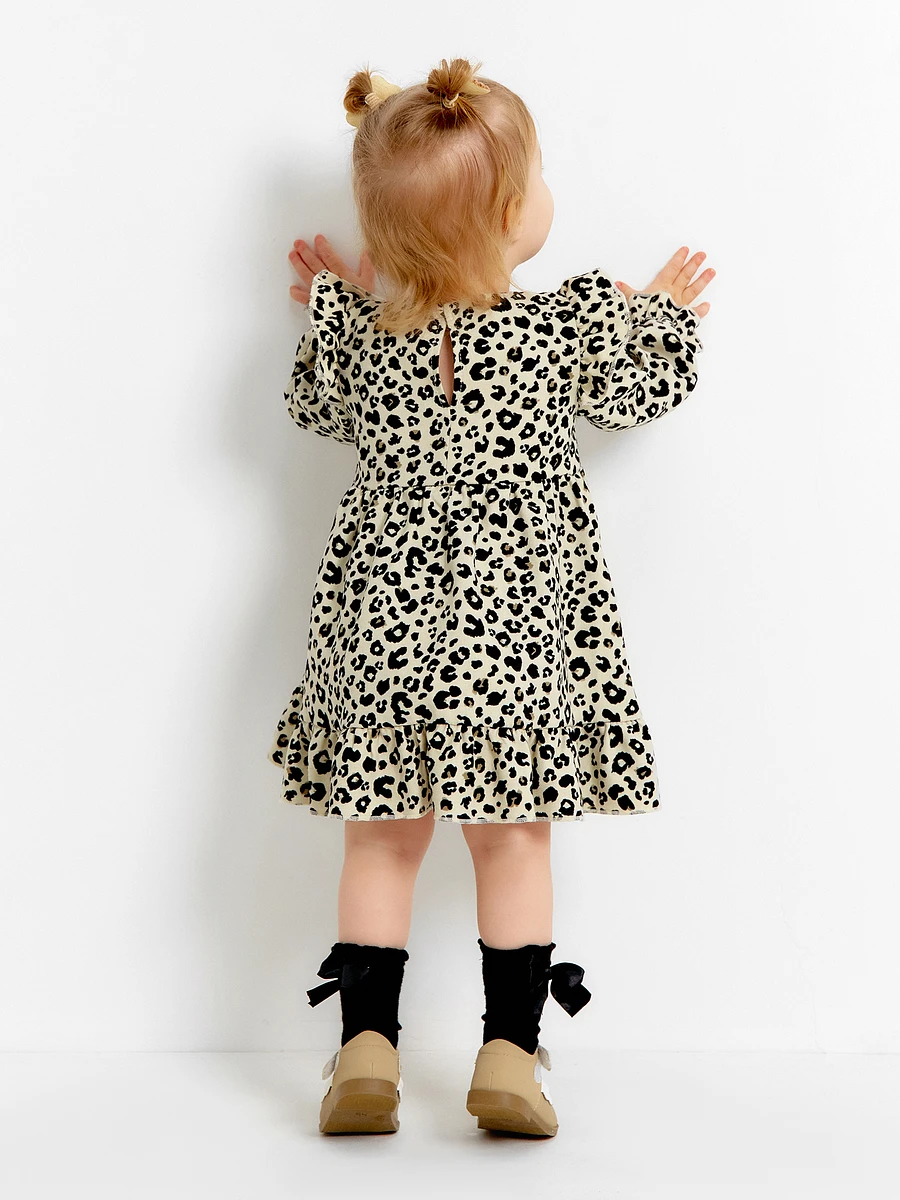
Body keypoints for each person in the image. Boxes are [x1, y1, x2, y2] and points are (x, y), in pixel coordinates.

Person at [269, 56, 714, 1137]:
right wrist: (661, 314)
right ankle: (510, 1055)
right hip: (511, 644)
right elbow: (645, 387)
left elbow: (316, 405)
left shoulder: (367, 340)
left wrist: (335, 303)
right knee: (512, 841)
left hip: (377, 634)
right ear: (515, 217)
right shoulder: (563, 331)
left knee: (380, 840)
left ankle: (365, 1049)